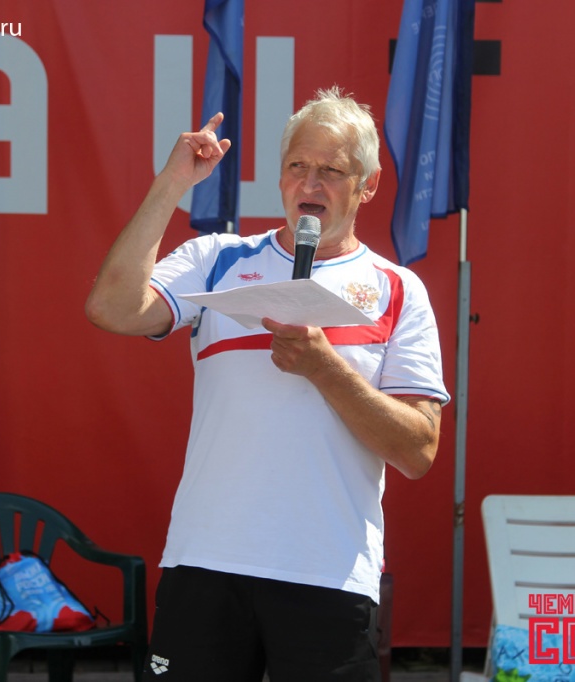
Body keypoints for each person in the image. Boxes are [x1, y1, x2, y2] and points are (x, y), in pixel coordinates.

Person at [85, 86, 449, 682]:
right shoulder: (217, 259)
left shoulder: (399, 290)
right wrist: (173, 184)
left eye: (332, 171)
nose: (310, 184)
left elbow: (418, 451)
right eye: (297, 166)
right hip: (205, 563)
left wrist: (325, 368)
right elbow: (113, 308)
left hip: (328, 575)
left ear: (368, 185)